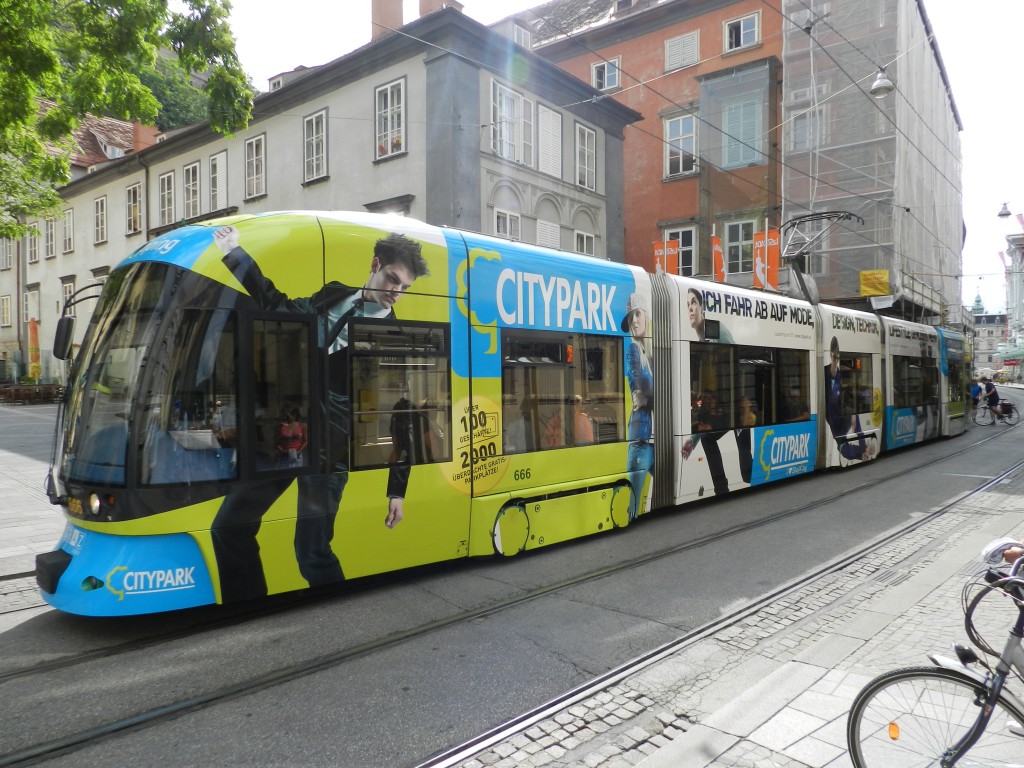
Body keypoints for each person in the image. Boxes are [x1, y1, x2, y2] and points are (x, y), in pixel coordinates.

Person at [209, 224, 429, 602]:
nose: (397, 292)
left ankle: (337, 618)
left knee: (312, 552)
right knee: (228, 528)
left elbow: (401, 413)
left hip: (330, 454)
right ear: (375, 265)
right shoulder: (333, 294)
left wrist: (397, 490)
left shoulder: (393, 338)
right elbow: (278, 305)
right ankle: (245, 608)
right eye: (393, 279)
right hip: (286, 438)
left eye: (405, 287)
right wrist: (233, 252)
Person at [623, 292, 654, 521]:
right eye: (631, 316)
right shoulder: (633, 350)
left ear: (646, 316)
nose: (634, 320)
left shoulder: (652, 354)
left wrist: (649, 398)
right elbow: (640, 386)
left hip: (656, 441)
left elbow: (651, 394)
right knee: (632, 509)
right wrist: (649, 396)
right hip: (641, 442)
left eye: (637, 314)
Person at [824, 336, 872, 460]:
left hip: (841, 417)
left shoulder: (843, 379)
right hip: (835, 417)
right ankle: (862, 451)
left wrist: (863, 449)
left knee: (854, 418)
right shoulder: (828, 372)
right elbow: (832, 374)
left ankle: (863, 450)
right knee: (844, 448)